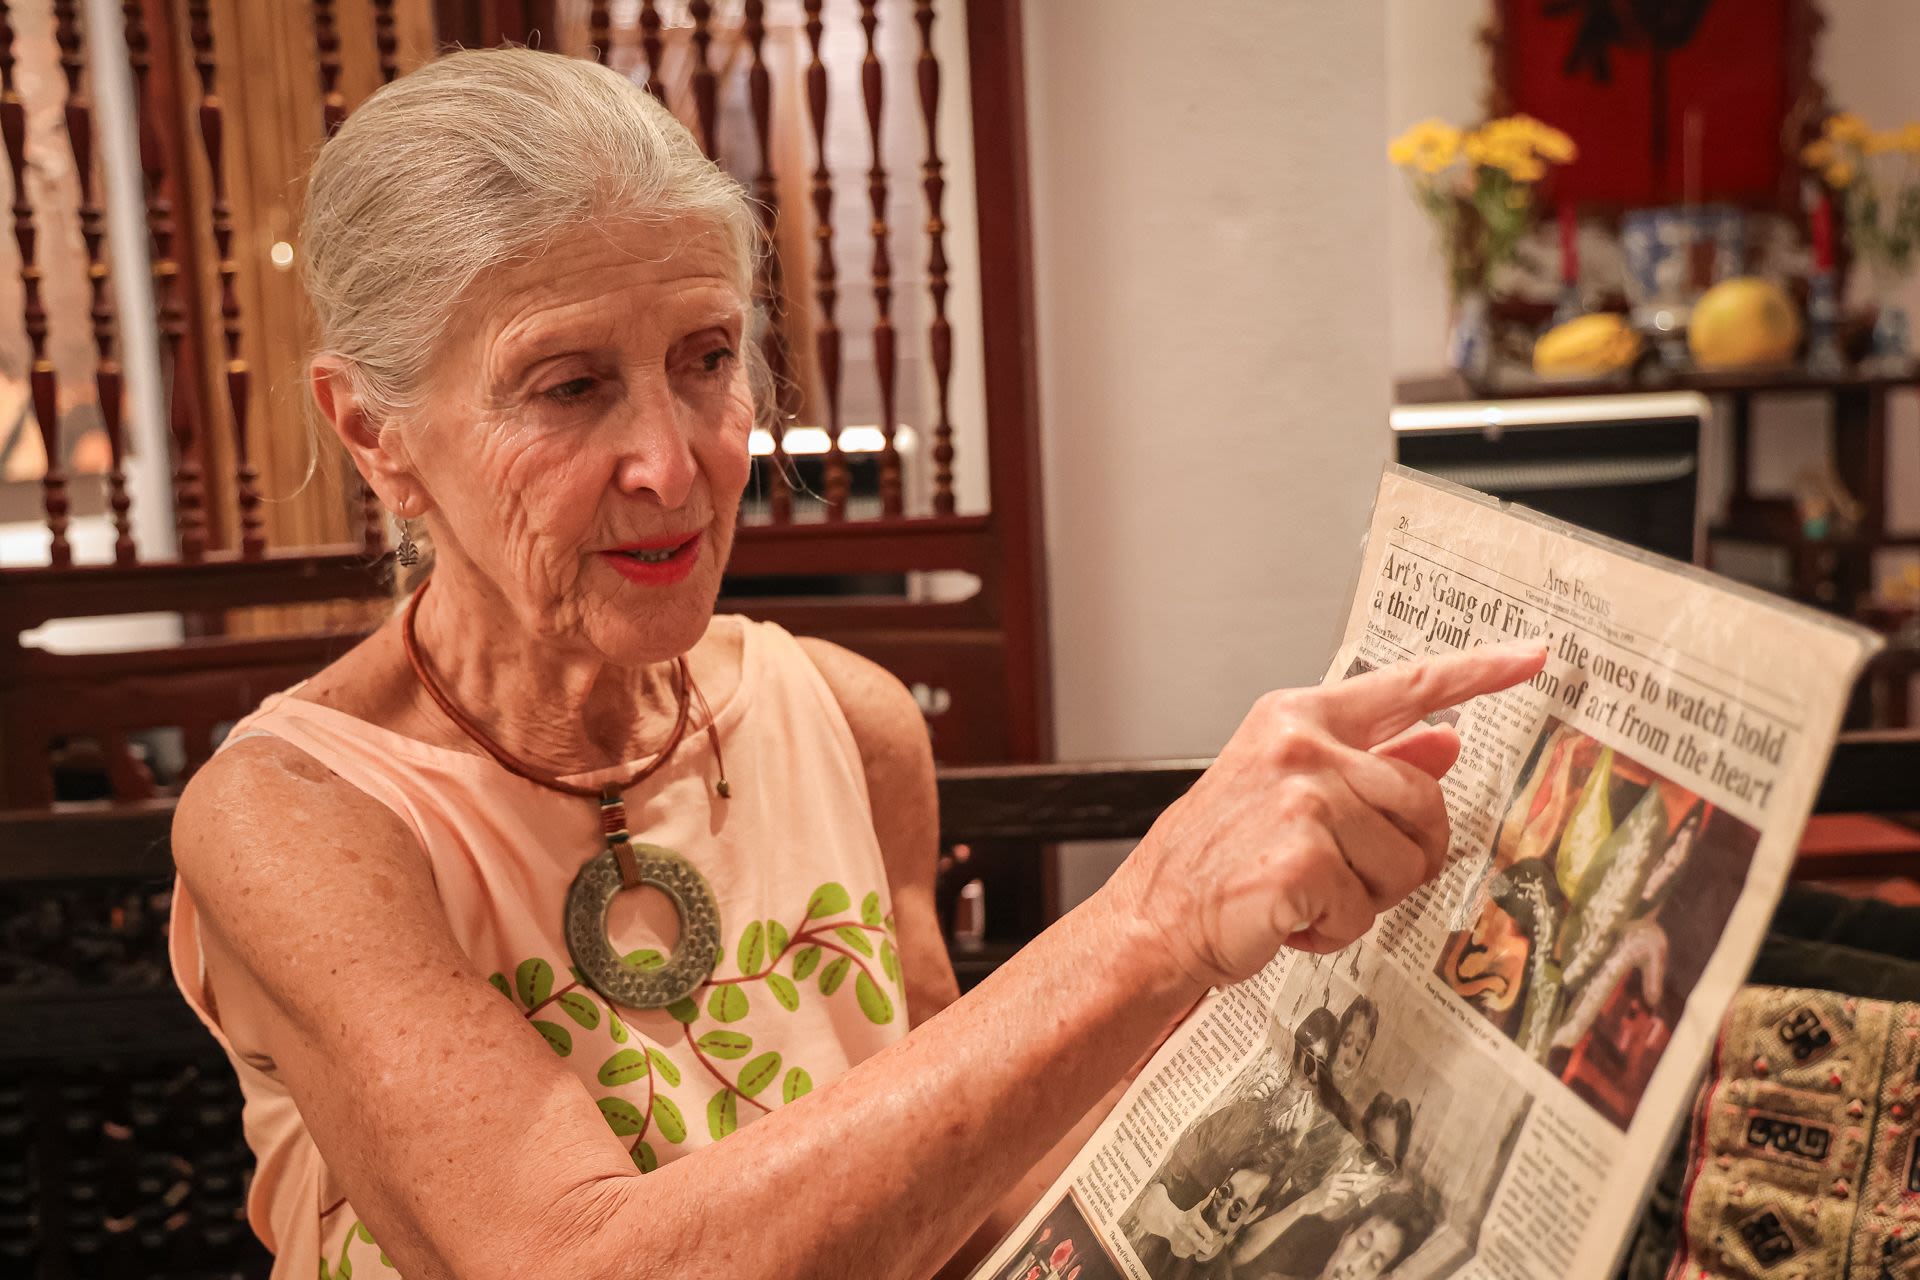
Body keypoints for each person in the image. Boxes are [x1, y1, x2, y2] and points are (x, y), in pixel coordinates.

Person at [166, 47, 1546, 1280]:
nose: (673, 466)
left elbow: (954, 1198)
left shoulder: (845, 721)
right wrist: (1152, 921)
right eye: (569, 386)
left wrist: (1289, 1043)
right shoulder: (296, 822)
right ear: (374, 433)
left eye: (706, 359)